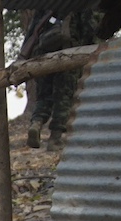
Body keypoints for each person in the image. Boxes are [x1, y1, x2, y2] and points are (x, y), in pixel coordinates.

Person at [22, 9, 97, 151]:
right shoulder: (78, 7)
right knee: (63, 99)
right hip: (68, 56)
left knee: (44, 96)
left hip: (43, 57)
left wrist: (26, 56)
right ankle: (55, 139)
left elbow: (32, 32)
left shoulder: (45, 6)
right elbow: (89, 31)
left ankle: (36, 124)